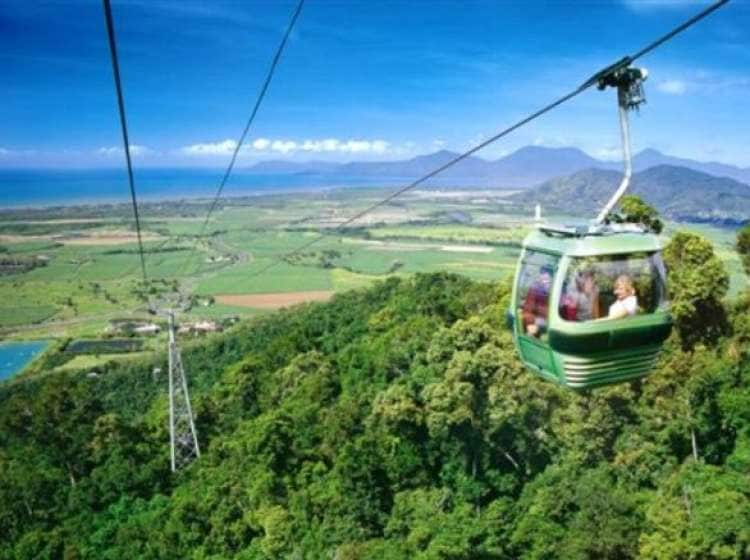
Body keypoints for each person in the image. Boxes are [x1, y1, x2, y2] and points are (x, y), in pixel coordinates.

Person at [522, 264, 553, 337]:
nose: (547, 282)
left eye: (549, 280)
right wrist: (531, 326)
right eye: (545, 279)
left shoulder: (551, 290)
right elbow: (528, 310)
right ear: (540, 277)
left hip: (548, 318)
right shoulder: (535, 289)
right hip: (537, 321)